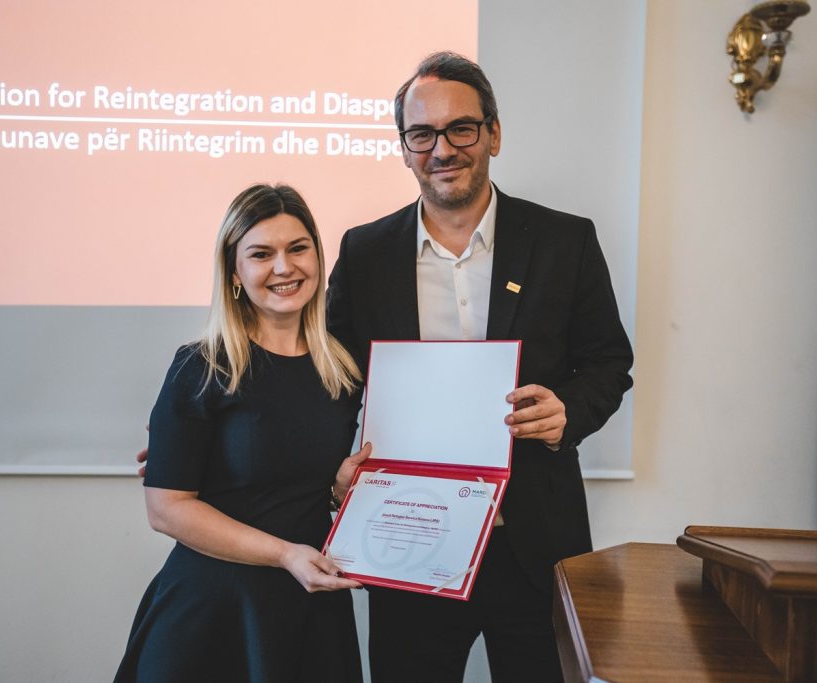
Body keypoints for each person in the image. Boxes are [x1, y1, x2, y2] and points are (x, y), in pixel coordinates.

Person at [325, 52, 634, 682]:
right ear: (404, 149)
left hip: (534, 542)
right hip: (409, 538)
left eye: (460, 129)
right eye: (421, 134)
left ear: (493, 133)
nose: (442, 150)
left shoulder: (565, 241)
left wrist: (568, 412)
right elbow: (328, 381)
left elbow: (609, 361)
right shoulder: (364, 252)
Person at [116, 184, 371, 683]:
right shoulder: (201, 366)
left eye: (298, 248)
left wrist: (338, 492)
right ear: (234, 272)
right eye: (261, 254)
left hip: (310, 609)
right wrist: (284, 554)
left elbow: (294, 482)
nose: (284, 267)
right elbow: (166, 509)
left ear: (318, 258)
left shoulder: (342, 371)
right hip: (217, 611)